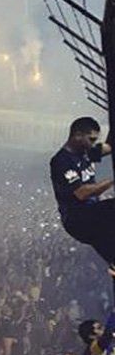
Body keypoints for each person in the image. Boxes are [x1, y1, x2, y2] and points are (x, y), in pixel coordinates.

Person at [49, 117, 115, 274]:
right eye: (91, 139)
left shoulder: (87, 153)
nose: (93, 144)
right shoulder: (61, 160)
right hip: (78, 219)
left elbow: (109, 146)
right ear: (78, 135)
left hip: (95, 218)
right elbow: (81, 193)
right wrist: (112, 181)